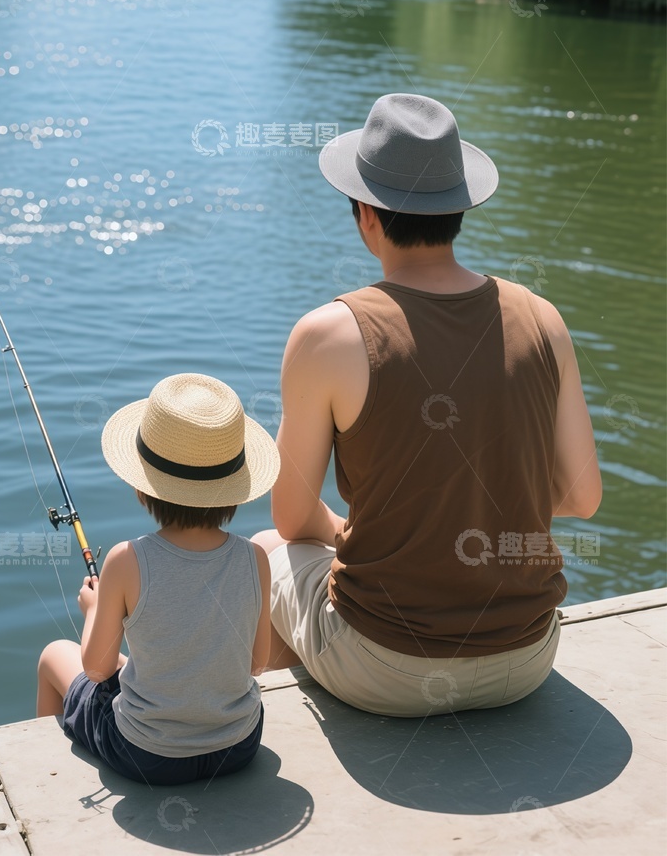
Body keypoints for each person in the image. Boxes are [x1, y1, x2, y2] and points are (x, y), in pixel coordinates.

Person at [252, 93, 602, 717]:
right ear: (458, 209)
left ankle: (266, 732)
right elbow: (581, 496)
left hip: (384, 670)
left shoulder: (328, 334)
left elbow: (292, 517)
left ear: (365, 214)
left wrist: (360, 532)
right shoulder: (543, 320)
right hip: (525, 660)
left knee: (266, 550)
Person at [37, 372, 279, 784]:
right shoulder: (254, 557)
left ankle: (45, 781)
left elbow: (95, 668)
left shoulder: (126, 559)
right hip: (238, 746)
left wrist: (95, 610)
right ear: (234, 488)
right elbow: (258, 664)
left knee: (53, 656)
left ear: (142, 488)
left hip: (146, 756)